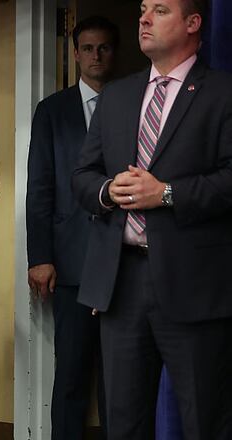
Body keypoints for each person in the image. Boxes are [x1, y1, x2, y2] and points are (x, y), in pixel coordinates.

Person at [72, 0, 232, 438]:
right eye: (143, 9)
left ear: (194, 23)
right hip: (120, 283)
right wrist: (108, 191)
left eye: (160, 10)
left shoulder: (222, 92)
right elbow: (83, 175)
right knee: (123, 422)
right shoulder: (118, 95)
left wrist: (166, 194)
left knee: (205, 420)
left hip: (194, 283)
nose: (143, 19)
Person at [26, 15, 118, 439]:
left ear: (112, 53)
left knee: (123, 379)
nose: (95, 56)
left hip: (124, 260)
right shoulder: (52, 110)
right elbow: (40, 189)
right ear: (75, 53)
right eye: (87, 48)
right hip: (70, 262)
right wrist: (40, 257)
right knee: (72, 374)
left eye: (103, 48)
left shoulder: (131, 102)